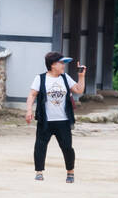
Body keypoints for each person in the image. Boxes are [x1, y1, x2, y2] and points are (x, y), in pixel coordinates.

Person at [25, 51, 86, 182]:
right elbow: (32, 95)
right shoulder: (40, 78)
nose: (63, 65)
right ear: (52, 65)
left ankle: (70, 172)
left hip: (63, 120)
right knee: (40, 146)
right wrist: (29, 110)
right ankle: (39, 172)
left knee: (67, 147)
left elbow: (79, 90)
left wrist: (81, 76)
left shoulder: (65, 77)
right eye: (61, 62)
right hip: (45, 120)